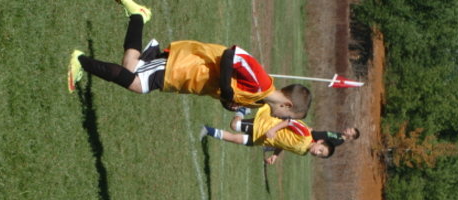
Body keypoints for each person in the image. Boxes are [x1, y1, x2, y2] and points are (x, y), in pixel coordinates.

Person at [67, 1, 312, 119]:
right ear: (287, 105)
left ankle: (137, 15)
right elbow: (232, 55)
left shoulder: (259, 102)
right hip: (187, 66)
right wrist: (227, 91)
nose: (283, 120)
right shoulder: (261, 82)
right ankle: (80, 61)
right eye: (289, 117)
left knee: (131, 67)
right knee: (137, 83)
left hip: (188, 80)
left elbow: (227, 92)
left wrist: (226, 102)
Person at [200, 106, 359, 163]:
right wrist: (273, 130)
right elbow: (290, 121)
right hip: (265, 128)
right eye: (321, 150)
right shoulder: (305, 134)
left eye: (320, 155)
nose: (317, 153)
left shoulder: (303, 152)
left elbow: (285, 145)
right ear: (320, 142)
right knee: (234, 125)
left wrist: (275, 155)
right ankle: (241, 110)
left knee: (235, 139)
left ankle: (206, 130)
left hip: (265, 141)